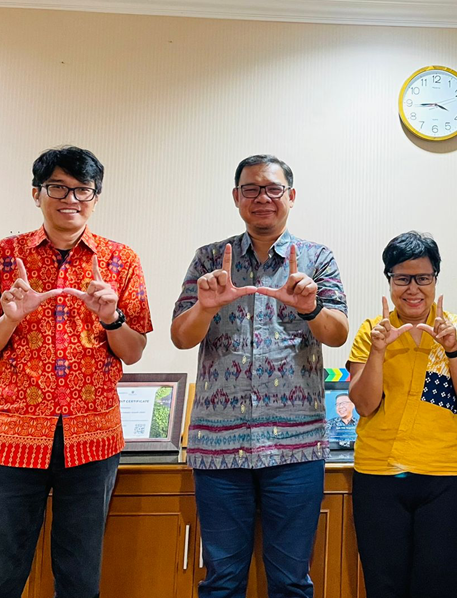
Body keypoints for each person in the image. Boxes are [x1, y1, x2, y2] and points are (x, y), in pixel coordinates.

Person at [0, 146, 152, 598]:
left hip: (93, 439)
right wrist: (10, 318)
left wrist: (111, 318)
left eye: (82, 190)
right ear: (36, 193)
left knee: (79, 579)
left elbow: (134, 352)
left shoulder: (121, 260)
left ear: (95, 197)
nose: (70, 199)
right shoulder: (3, 256)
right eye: (57, 187)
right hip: (11, 436)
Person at [171, 154, 348, 598]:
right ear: (236, 197)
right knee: (221, 581)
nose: (262, 198)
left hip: (296, 448)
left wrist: (309, 307)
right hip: (219, 448)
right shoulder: (210, 259)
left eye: (273, 189)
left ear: (291, 195)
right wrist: (205, 308)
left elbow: (338, 333)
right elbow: (181, 336)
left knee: (291, 582)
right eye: (251, 189)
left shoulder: (316, 258)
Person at [346, 231, 457, 598]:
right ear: (389, 281)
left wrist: (453, 348)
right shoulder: (372, 330)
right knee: (384, 585)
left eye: (422, 278)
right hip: (380, 474)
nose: (413, 289)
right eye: (402, 279)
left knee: (443, 586)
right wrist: (378, 351)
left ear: (435, 279)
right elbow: (364, 404)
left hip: (448, 476)